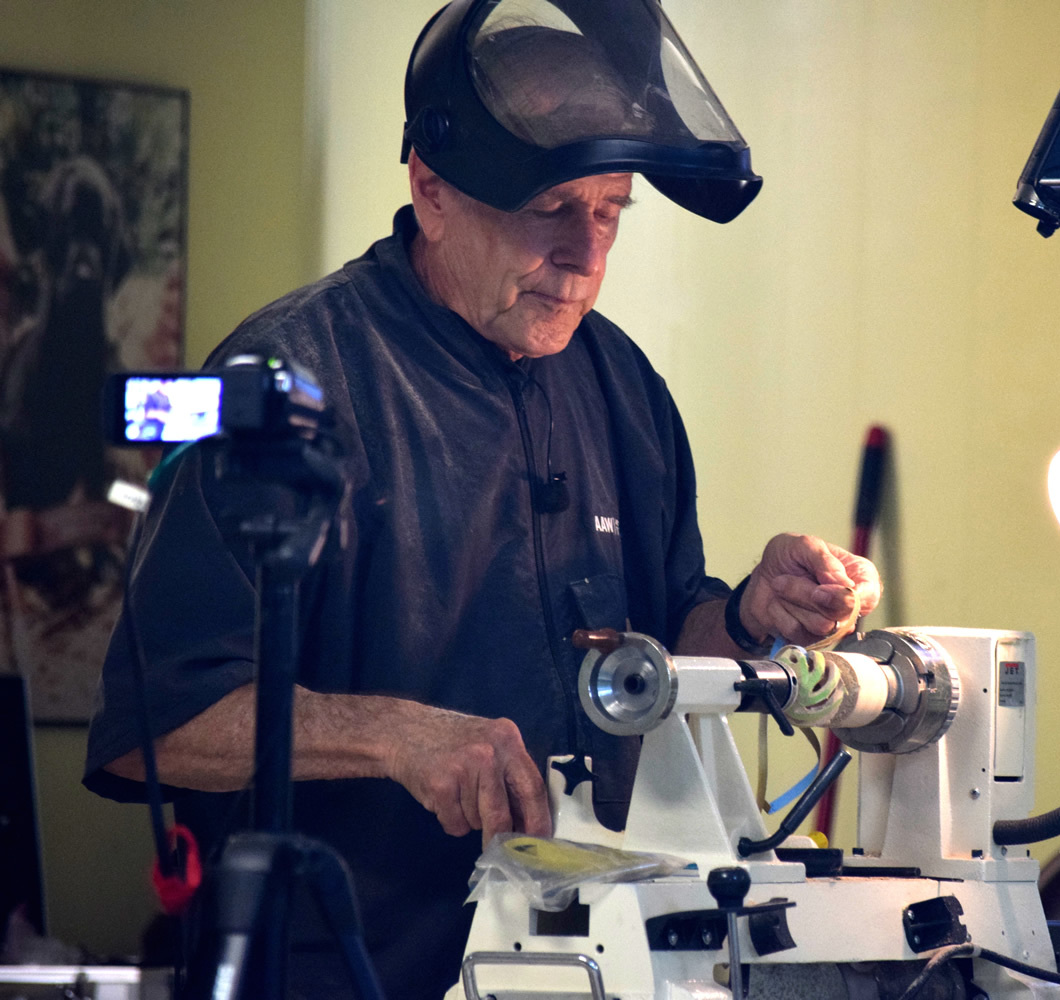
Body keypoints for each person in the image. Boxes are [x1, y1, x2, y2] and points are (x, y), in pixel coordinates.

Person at [82, 2, 880, 998]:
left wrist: (755, 614)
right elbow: (156, 727)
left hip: (582, 970)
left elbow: (666, 651)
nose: (586, 256)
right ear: (432, 191)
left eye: (609, 211)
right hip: (352, 970)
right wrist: (397, 735)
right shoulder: (290, 379)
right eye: (550, 208)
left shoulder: (624, 388)